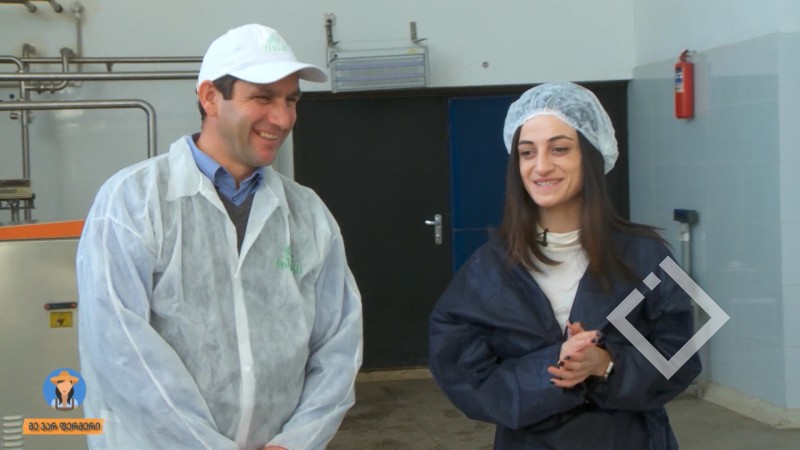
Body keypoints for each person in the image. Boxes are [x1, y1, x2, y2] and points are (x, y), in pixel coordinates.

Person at [77, 24, 363, 450]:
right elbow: (120, 351)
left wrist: (296, 441)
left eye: (291, 100)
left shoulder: (307, 213)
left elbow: (339, 344)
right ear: (210, 97)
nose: (283, 118)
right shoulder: (132, 202)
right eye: (262, 98)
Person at [428, 82, 701, 449]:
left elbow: (682, 359)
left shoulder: (646, 256)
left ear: (591, 155)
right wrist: (553, 366)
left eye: (559, 148)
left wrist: (605, 364)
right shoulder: (489, 269)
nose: (541, 166)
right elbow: (464, 377)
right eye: (527, 152)